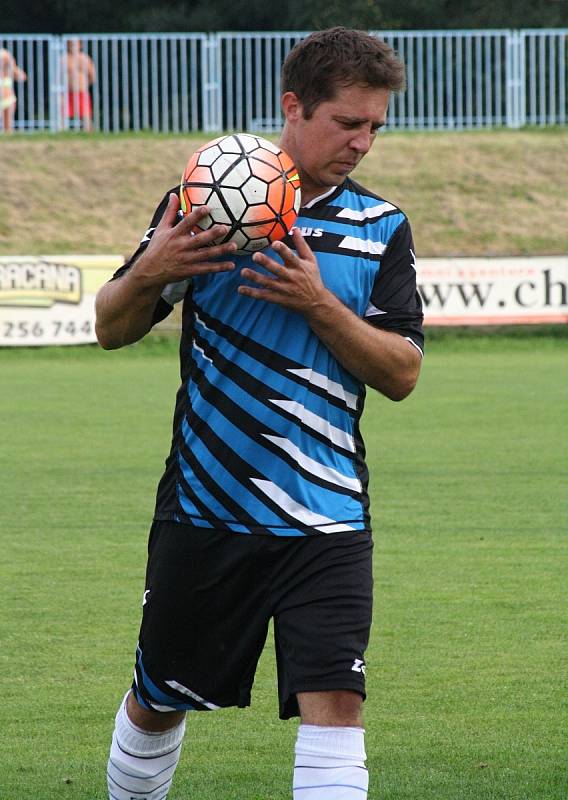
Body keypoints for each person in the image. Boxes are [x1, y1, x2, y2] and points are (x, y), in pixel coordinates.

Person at [96, 26, 424, 800]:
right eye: (348, 122)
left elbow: (403, 372)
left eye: (376, 126)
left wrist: (318, 304)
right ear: (293, 107)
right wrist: (152, 270)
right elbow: (110, 326)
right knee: (158, 699)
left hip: (328, 517)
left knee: (338, 705)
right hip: (209, 507)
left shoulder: (379, 229)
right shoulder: (201, 205)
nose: (364, 143)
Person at [62, 38, 96, 131]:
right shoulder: (64, 59)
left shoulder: (85, 58)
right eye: (71, 44)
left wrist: (84, 85)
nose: (73, 46)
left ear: (80, 45)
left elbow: (92, 76)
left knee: (86, 115)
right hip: (67, 92)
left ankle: (89, 133)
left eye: (75, 44)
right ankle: (62, 133)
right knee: (63, 115)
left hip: (82, 92)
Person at [0, 48, 26, 134]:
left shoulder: (5, 54)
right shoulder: (5, 55)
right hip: (7, 95)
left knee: (7, 127)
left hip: (7, 96)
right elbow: (17, 73)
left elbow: (17, 73)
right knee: (7, 127)